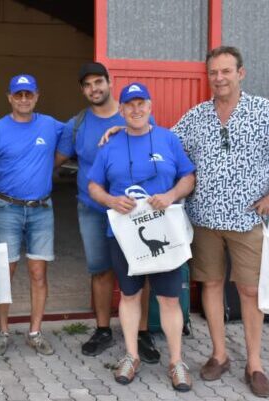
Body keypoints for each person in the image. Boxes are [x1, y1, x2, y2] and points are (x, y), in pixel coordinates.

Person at [171, 46, 269, 397]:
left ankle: (254, 363)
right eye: (213, 73)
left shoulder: (262, 111)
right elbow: (163, 144)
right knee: (211, 285)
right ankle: (219, 355)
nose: (219, 78)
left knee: (250, 291)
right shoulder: (197, 116)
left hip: (248, 219)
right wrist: (121, 132)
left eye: (225, 71)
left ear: (241, 73)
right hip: (203, 218)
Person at [87, 82, 196, 391]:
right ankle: (131, 356)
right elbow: (94, 185)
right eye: (129, 104)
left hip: (164, 233)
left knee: (169, 298)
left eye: (141, 103)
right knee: (130, 295)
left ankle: (177, 362)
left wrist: (172, 194)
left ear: (150, 106)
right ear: (121, 110)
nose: (135, 109)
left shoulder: (168, 139)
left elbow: (188, 176)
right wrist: (110, 200)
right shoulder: (110, 145)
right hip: (123, 236)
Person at [55, 62, 161, 361]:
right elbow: (55, 160)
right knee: (100, 270)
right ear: (82, 90)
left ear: (109, 82)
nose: (94, 89)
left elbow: (157, 145)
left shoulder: (131, 113)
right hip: (93, 209)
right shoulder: (77, 125)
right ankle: (103, 329)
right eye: (87, 85)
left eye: (98, 82)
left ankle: (142, 334)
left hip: (132, 212)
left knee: (140, 270)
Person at [0, 74, 66, 356]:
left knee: (38, 273)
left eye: (29, 94)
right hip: (7, 209)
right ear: (10, 97)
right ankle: (3, 331)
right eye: (19, 95)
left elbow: (84, 130)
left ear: (37, 96)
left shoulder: (51, 125)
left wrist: (114, 128)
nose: (24, 99)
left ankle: (35, 332)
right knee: (5, 273)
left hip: (41, 209)